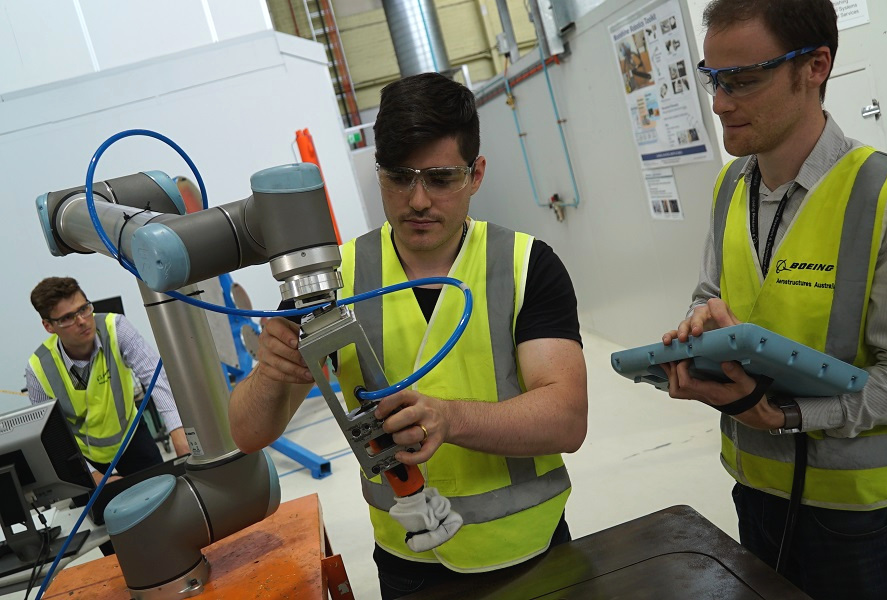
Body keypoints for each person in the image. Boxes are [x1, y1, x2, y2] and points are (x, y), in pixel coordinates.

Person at [229, 72, 588, 599]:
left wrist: (451, 417)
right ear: (378, 173)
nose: (418, 200)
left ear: (476, 173)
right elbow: (247, 433)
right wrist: (270, 370)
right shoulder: (332, 280)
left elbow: (567, 420)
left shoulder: (525, 265)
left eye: (441, 179)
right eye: (399, 177)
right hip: (409, 563)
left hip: (530, 550)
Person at [660, 1, 887, 598]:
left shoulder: (885, 198)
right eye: (713, 78)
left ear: (815, 66)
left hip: (860, 519)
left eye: (742, 80)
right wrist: (697, 329)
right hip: (753, 492)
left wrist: (784, 415)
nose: (719, 102)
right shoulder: (728, 186)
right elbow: (710, 291)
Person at [26, 277, 190, 485]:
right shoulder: (38, 368)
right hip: (83, 458)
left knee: (165, 492)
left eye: (84, 308)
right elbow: (53, 438)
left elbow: (154, 374)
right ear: (48, 326)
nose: (82, 321)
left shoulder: (116, 327)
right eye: (68, 318)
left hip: (131, 438)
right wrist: (92, 474)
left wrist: (177, 431)